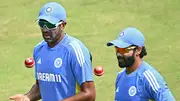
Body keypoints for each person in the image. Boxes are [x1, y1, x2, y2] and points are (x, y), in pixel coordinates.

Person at [9, 2, 95, 101]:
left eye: (50, 25)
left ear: (62, 25)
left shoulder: (75, 50)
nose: (45, 29)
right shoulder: (38, 49)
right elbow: (41, 86)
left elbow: (89, 94)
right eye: (42, 24)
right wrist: (27, 97)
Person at [107, 27, 176, 101]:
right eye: (117, 49)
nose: (119, 54)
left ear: (138, 50)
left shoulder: (148, 77)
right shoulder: (120, 77)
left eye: (123, 50)